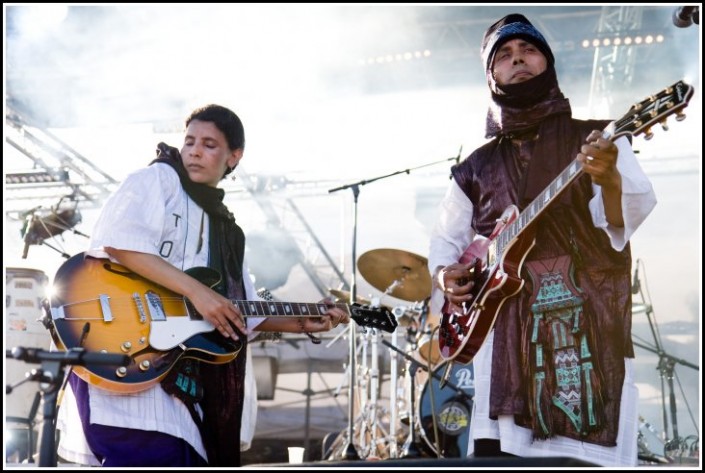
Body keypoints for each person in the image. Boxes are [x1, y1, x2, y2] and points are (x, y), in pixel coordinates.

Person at [55, 104, 350, 467]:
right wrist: (198, 292)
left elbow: (239, 312)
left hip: (180, 387)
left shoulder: (227, 231)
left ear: (234, 156)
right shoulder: (158, 180)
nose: (194, 150)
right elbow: (120, 241)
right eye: (190, 140)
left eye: (209, 144)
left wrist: (305, 321)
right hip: (128, 363)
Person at [427, 14, 657, 467]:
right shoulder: (474, 166)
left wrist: (608, 176)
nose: (518, 61)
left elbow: (623, 220)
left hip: (585, 322)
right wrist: (444, 273)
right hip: (504, 335)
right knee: (503, 456)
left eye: (528, 51)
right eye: (505, 56)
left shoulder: (598, 139)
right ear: (491, 75)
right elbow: (444, 240)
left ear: (548, 63)